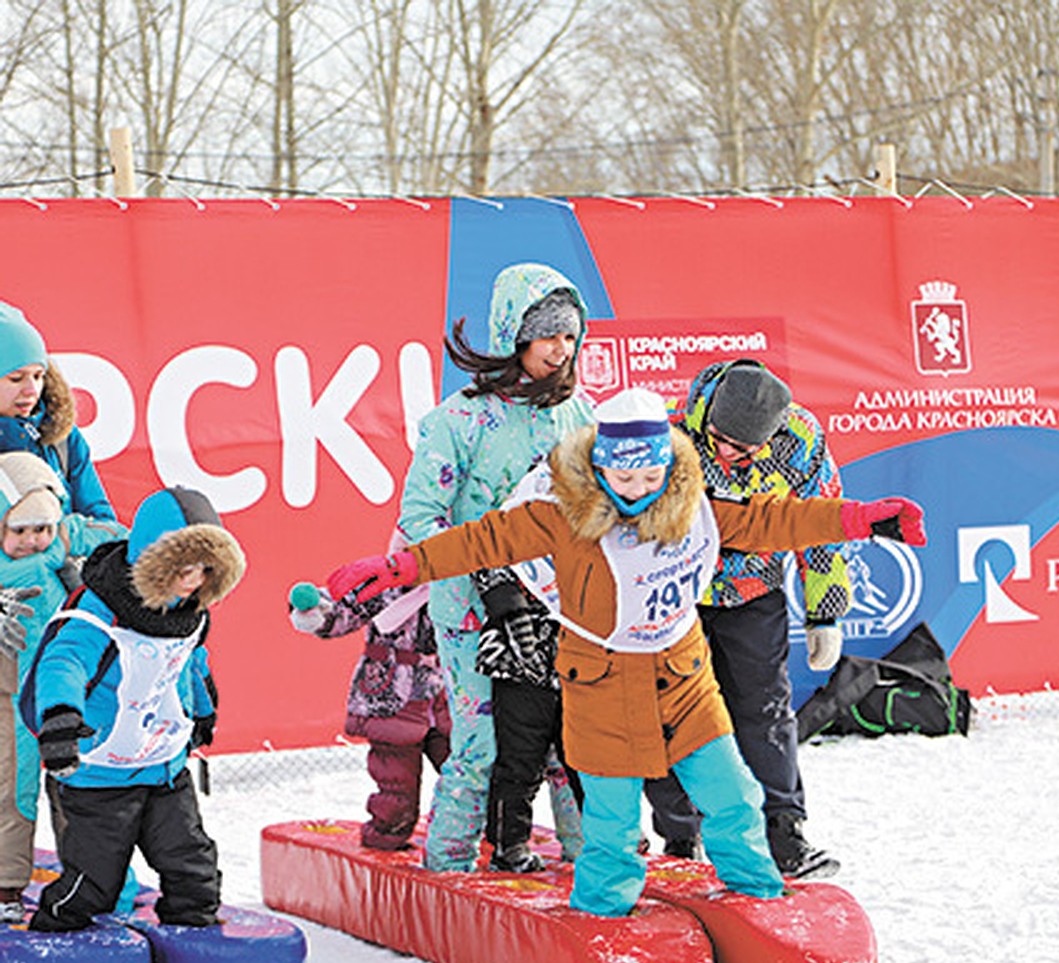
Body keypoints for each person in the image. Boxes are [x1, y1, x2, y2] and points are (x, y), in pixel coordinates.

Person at [327, 387, 926, 918]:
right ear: (600, 469)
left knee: (734, 795)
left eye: (649, 479)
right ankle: (603, 914)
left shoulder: (693, 506)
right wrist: (396, 568)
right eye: (624, 479)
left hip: (684, 678)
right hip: (601, 685)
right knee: (611, 825)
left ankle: (757, 898)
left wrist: (862, 520)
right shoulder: (561, 517)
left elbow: (775, 521)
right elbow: (482, 540)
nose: (638, 492)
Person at [396, 263, 593, 872]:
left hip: (558, 601)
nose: (560, 350)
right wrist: (485, 571)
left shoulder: (579, 413)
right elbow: (419, 519)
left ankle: (592, 858)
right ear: (515, 335)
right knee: (482, 743)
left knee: (570, 739)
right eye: (547, 335)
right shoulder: (459, 421)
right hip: (473, 606)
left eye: (569, 335)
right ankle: (449, 866)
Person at [643, 360, 849, 877]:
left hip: (753, 588)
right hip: (676, 591)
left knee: (763, 708)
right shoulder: (670, 432)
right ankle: (681, 834)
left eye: (744, 448)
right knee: (671, 710)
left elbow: (820, 522)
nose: (728, 454)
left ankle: (783, 832)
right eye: (720, 440)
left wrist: (824, 610)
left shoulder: (800, 440)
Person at [24, 485, 245, 933]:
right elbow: (64, 661)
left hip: (164, 766)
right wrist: (61, 720)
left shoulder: (190, 611)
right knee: (95, 880)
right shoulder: (100, 610)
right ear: (153, 562)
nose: (193, 580)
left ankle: (195, 945)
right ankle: (55, 932)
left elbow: (188, 662)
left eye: (204, 570)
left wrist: (202, 710)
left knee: (193, 867)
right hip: (101, 770)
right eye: (182, 569)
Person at [0, 452, 125, 923]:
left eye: (42, 529)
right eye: (19, 530)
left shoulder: (62, 542)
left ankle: (97, 881)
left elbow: (117, 536)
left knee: (78, 784)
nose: (33, 541)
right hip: (9, 696)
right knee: (12, 789)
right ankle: (7, 882)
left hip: (61, 692)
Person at [287, 527, 452, 852]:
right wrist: (316, 612)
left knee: (464, 769)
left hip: (445, 695)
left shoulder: (456, 586)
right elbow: (344, 610)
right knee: (396, 782)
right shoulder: (384, 584)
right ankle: (387, 837)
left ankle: (460, 838)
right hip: (393, 694)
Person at [474, 561, 585, 872]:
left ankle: (603, 841)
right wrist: (514, 617)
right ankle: (509, 844)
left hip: (580, 656)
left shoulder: (594, 520)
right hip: (518, 661)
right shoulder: (508, 521)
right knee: (520, 759)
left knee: (587, 757)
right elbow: (490, 570)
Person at [0, 301, 117, 519]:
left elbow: (104, 524)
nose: (31, 390)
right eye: (16, 379)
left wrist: (61, 539)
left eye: (38, 376)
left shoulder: (60, 436)